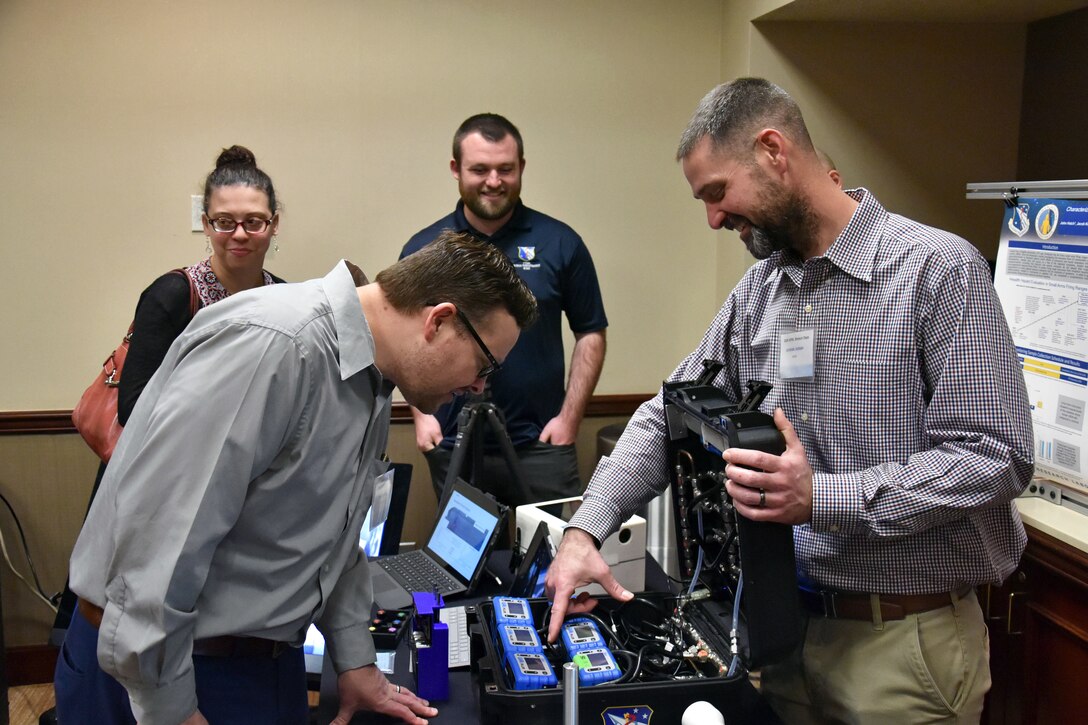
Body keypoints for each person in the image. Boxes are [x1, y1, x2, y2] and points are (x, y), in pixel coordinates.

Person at [544, 78, 1033, 724]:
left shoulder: (938, 272)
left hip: (903, 647)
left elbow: (993, 457)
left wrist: (822, 496)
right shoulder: (761, 294)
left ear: (774, 150)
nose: (715, 219)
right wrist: (585, 528)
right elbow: (666, 413)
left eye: (717, 193)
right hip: (784, 639)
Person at [56, 231, 538, 725]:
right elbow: (157, 545)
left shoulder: (368, 373)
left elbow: (332, 535)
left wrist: (355, 658)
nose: (480, 386)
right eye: (485, 365)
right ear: (439, 320)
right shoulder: (275, 345)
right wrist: (170, 710)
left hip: (256, 664)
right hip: (167, 675)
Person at [48, 144, 286, 682]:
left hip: (236, 492)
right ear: (205, 223)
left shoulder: (284, 299)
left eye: (254, 221)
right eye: (225, 221)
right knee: (118, 629)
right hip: (148, 485)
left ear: (274, 224)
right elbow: (134, 410)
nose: (240, 234)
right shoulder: (173, 294)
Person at [401, 113, 608, 508]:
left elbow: (591, 332)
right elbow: (403, 337)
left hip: (542, 445)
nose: (493, 181)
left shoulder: (561, 242)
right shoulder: (425, 248)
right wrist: (420, 415)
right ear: (456, 170)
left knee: (553, 565)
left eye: (505, 169)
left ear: (521, 169)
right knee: (461, 567)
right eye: (480, 169)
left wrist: (570, 419)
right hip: (453, 442)